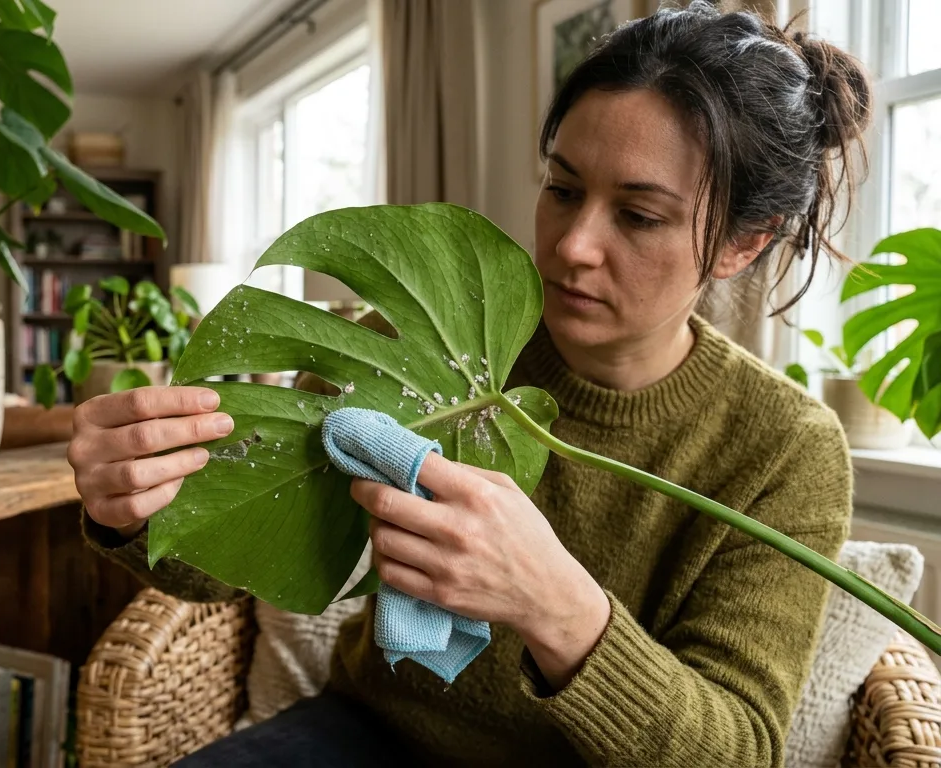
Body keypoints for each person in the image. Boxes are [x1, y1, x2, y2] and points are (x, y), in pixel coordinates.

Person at [67, 2, 872, 765]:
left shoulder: (782, 448)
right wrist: (137, 506)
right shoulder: (427, 336)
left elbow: (735, 751)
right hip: (366, 736)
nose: (573, 245)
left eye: (638, 216)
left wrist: (556, 605)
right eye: (562, 189)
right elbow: (223, 556)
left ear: (742, 243)